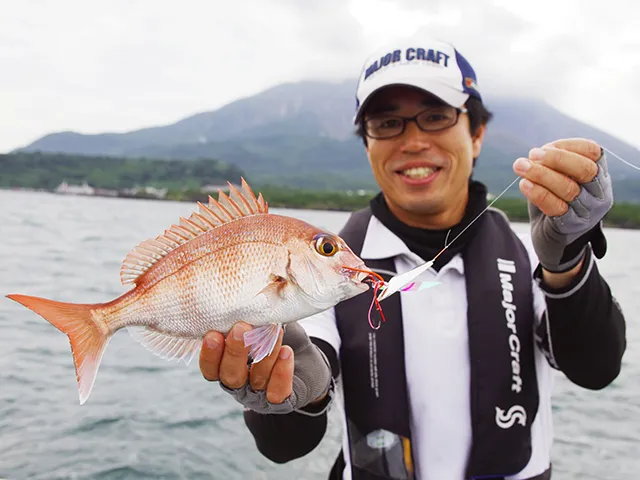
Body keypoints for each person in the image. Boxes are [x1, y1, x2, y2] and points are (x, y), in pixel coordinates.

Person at [197, 35, 626, 480]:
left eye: (436, 117)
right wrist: (287, 390)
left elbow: (596, 367)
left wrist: (567, 260)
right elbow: (286, 444)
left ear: (476, 133)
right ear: (367, 143)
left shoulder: (525, 249)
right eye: (386, 123)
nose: (414, 141)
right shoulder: (327, 265)